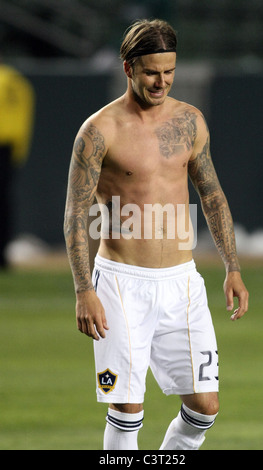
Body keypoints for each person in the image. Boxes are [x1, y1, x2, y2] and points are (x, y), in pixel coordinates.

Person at [64, 19, 249, 450]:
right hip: (120, 284)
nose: (161, 81)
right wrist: (82, 289)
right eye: (151, 72)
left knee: (205, 406)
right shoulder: (98, 132)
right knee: (126, 408)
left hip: (182, 284)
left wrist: (232, 267)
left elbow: (213, 196)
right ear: (128, 68)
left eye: (169, 71)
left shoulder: (189, 122)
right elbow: (75, 213)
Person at [0, 62, 35, 268]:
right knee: (4, 202)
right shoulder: (17, 81)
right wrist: (19, 151)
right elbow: (24, 118)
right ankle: (2, 253)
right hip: (9, 149)